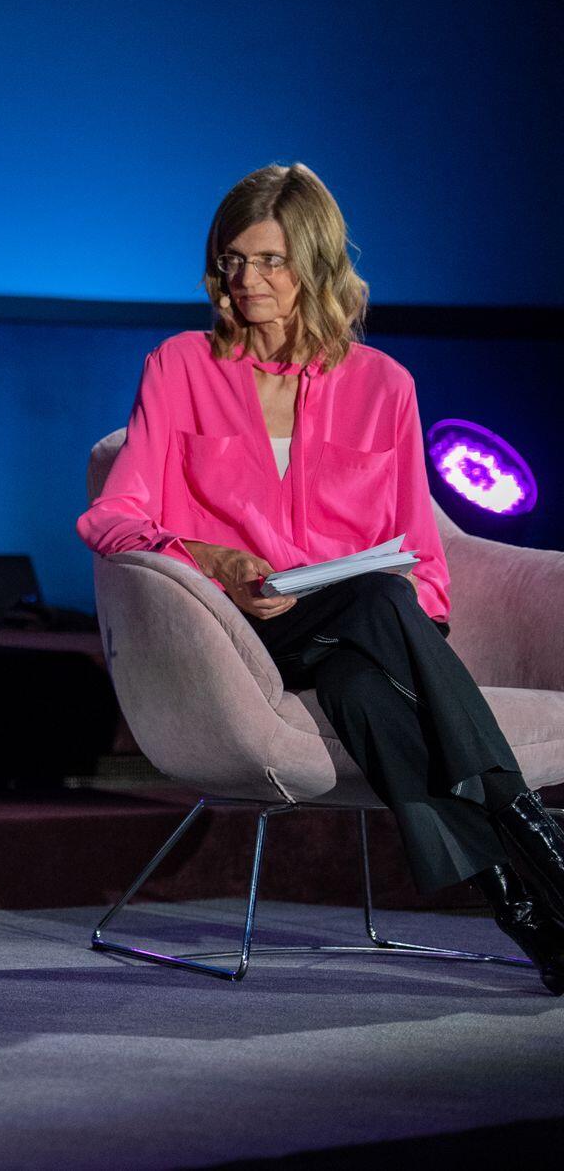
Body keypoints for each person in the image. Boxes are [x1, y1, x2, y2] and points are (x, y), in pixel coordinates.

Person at [78, 163, 564, 993]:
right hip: (242, 633)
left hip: (362, 633)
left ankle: (529, 914)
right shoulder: (181, 366)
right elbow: (111, 517)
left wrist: (409, 627)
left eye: (271, 261)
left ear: (317, 265)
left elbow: (422, 554)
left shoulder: (386, 388)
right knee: (377, 602)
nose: (248, 281)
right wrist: (214, 561)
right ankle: (540, 847)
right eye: (234, 260)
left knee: (369, 673)